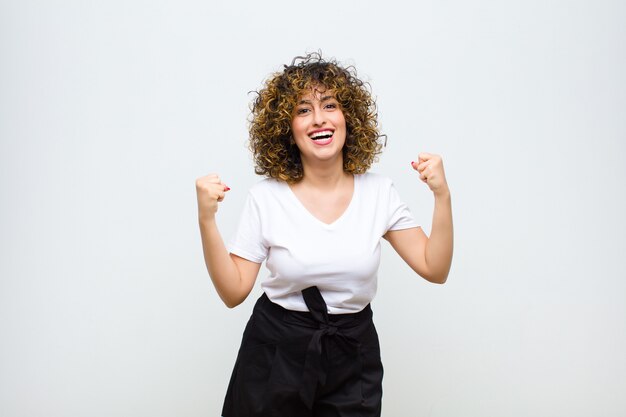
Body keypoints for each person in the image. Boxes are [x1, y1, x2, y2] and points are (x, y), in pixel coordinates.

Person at [195, 53, 453, 417]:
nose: (319, 119)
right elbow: (233, 292)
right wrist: (207, 219)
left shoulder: (379, 192)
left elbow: (434, 267)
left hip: (353, 354)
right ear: (286, 128)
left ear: (348, 117)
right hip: (275, 353)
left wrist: (442, 195)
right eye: (303, 110)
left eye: (329, 105)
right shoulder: (266, 198)